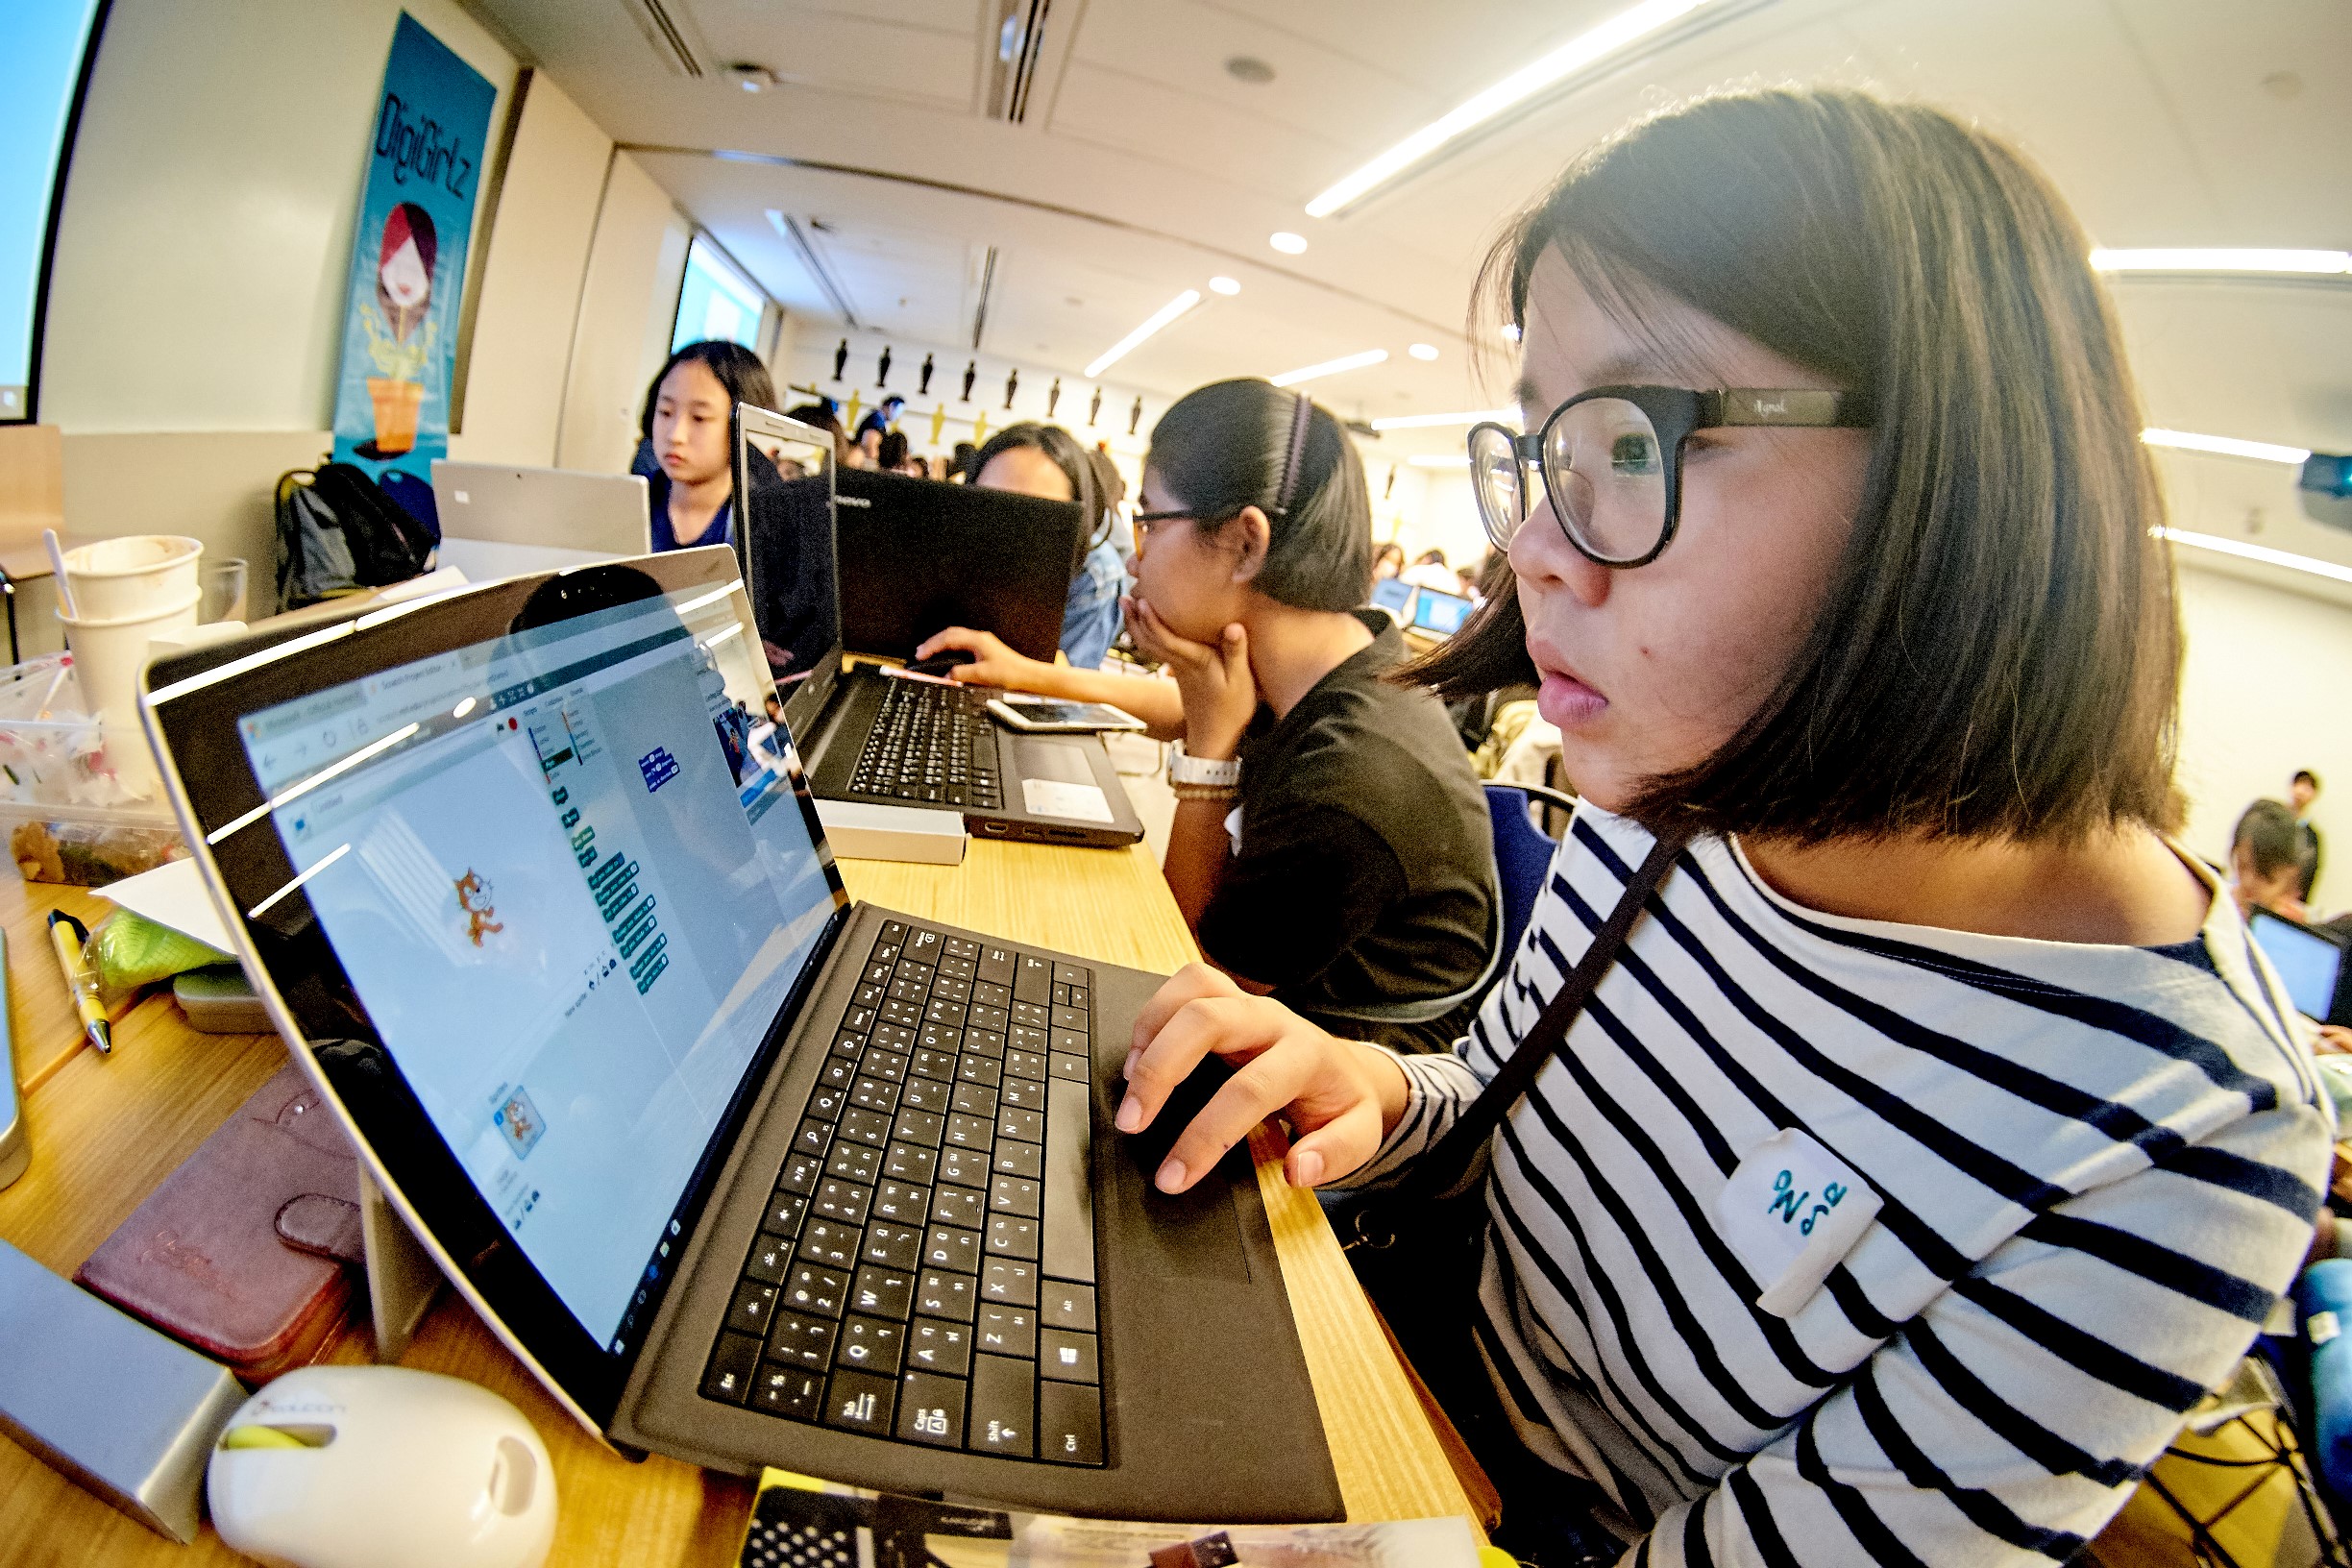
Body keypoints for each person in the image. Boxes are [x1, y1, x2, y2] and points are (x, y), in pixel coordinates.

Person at [1114, 89, 2330, 1564]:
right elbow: (1502, 1096)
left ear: (1949, 480)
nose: (1534, 548)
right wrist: (1360, 1086)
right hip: (1396, 1377)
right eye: (1546, 454)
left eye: (1631, 444)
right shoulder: (1686, 784)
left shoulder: (2185, 1126)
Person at [916, 380, 1497, 1052]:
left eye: (1151, 520)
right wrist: (1026, 672)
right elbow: (1190, 704)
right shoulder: (1339, 654)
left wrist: (1209, 758)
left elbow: (1182, 975)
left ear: (1246, 544)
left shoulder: (1349, 783)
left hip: (1313, 1069)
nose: (1134, 555)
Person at [963, 423, 1127, 672]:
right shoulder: (955, 542)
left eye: (1038, 514)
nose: (1011, 528)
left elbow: (1060, 685)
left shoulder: (1095, 572)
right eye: (990, 504)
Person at [633, 339, 773, 551]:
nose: (676, 435)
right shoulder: (628, 503)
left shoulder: (764, 528)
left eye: (699, 417)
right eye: (665, 412)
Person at [2232, 797, 2311, 923]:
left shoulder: (2288, 928)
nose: (2248, 882)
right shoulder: (2218, 904)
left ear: (2291, 875)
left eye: (2264, 875)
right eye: (2243, 866)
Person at [2292, 769, 2323, 900]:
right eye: (2298, 784)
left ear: (2314, 795)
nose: (2300, 791)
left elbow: (2309, 873)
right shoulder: (2273, 821)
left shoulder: (2312, 836)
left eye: (2307, 788)